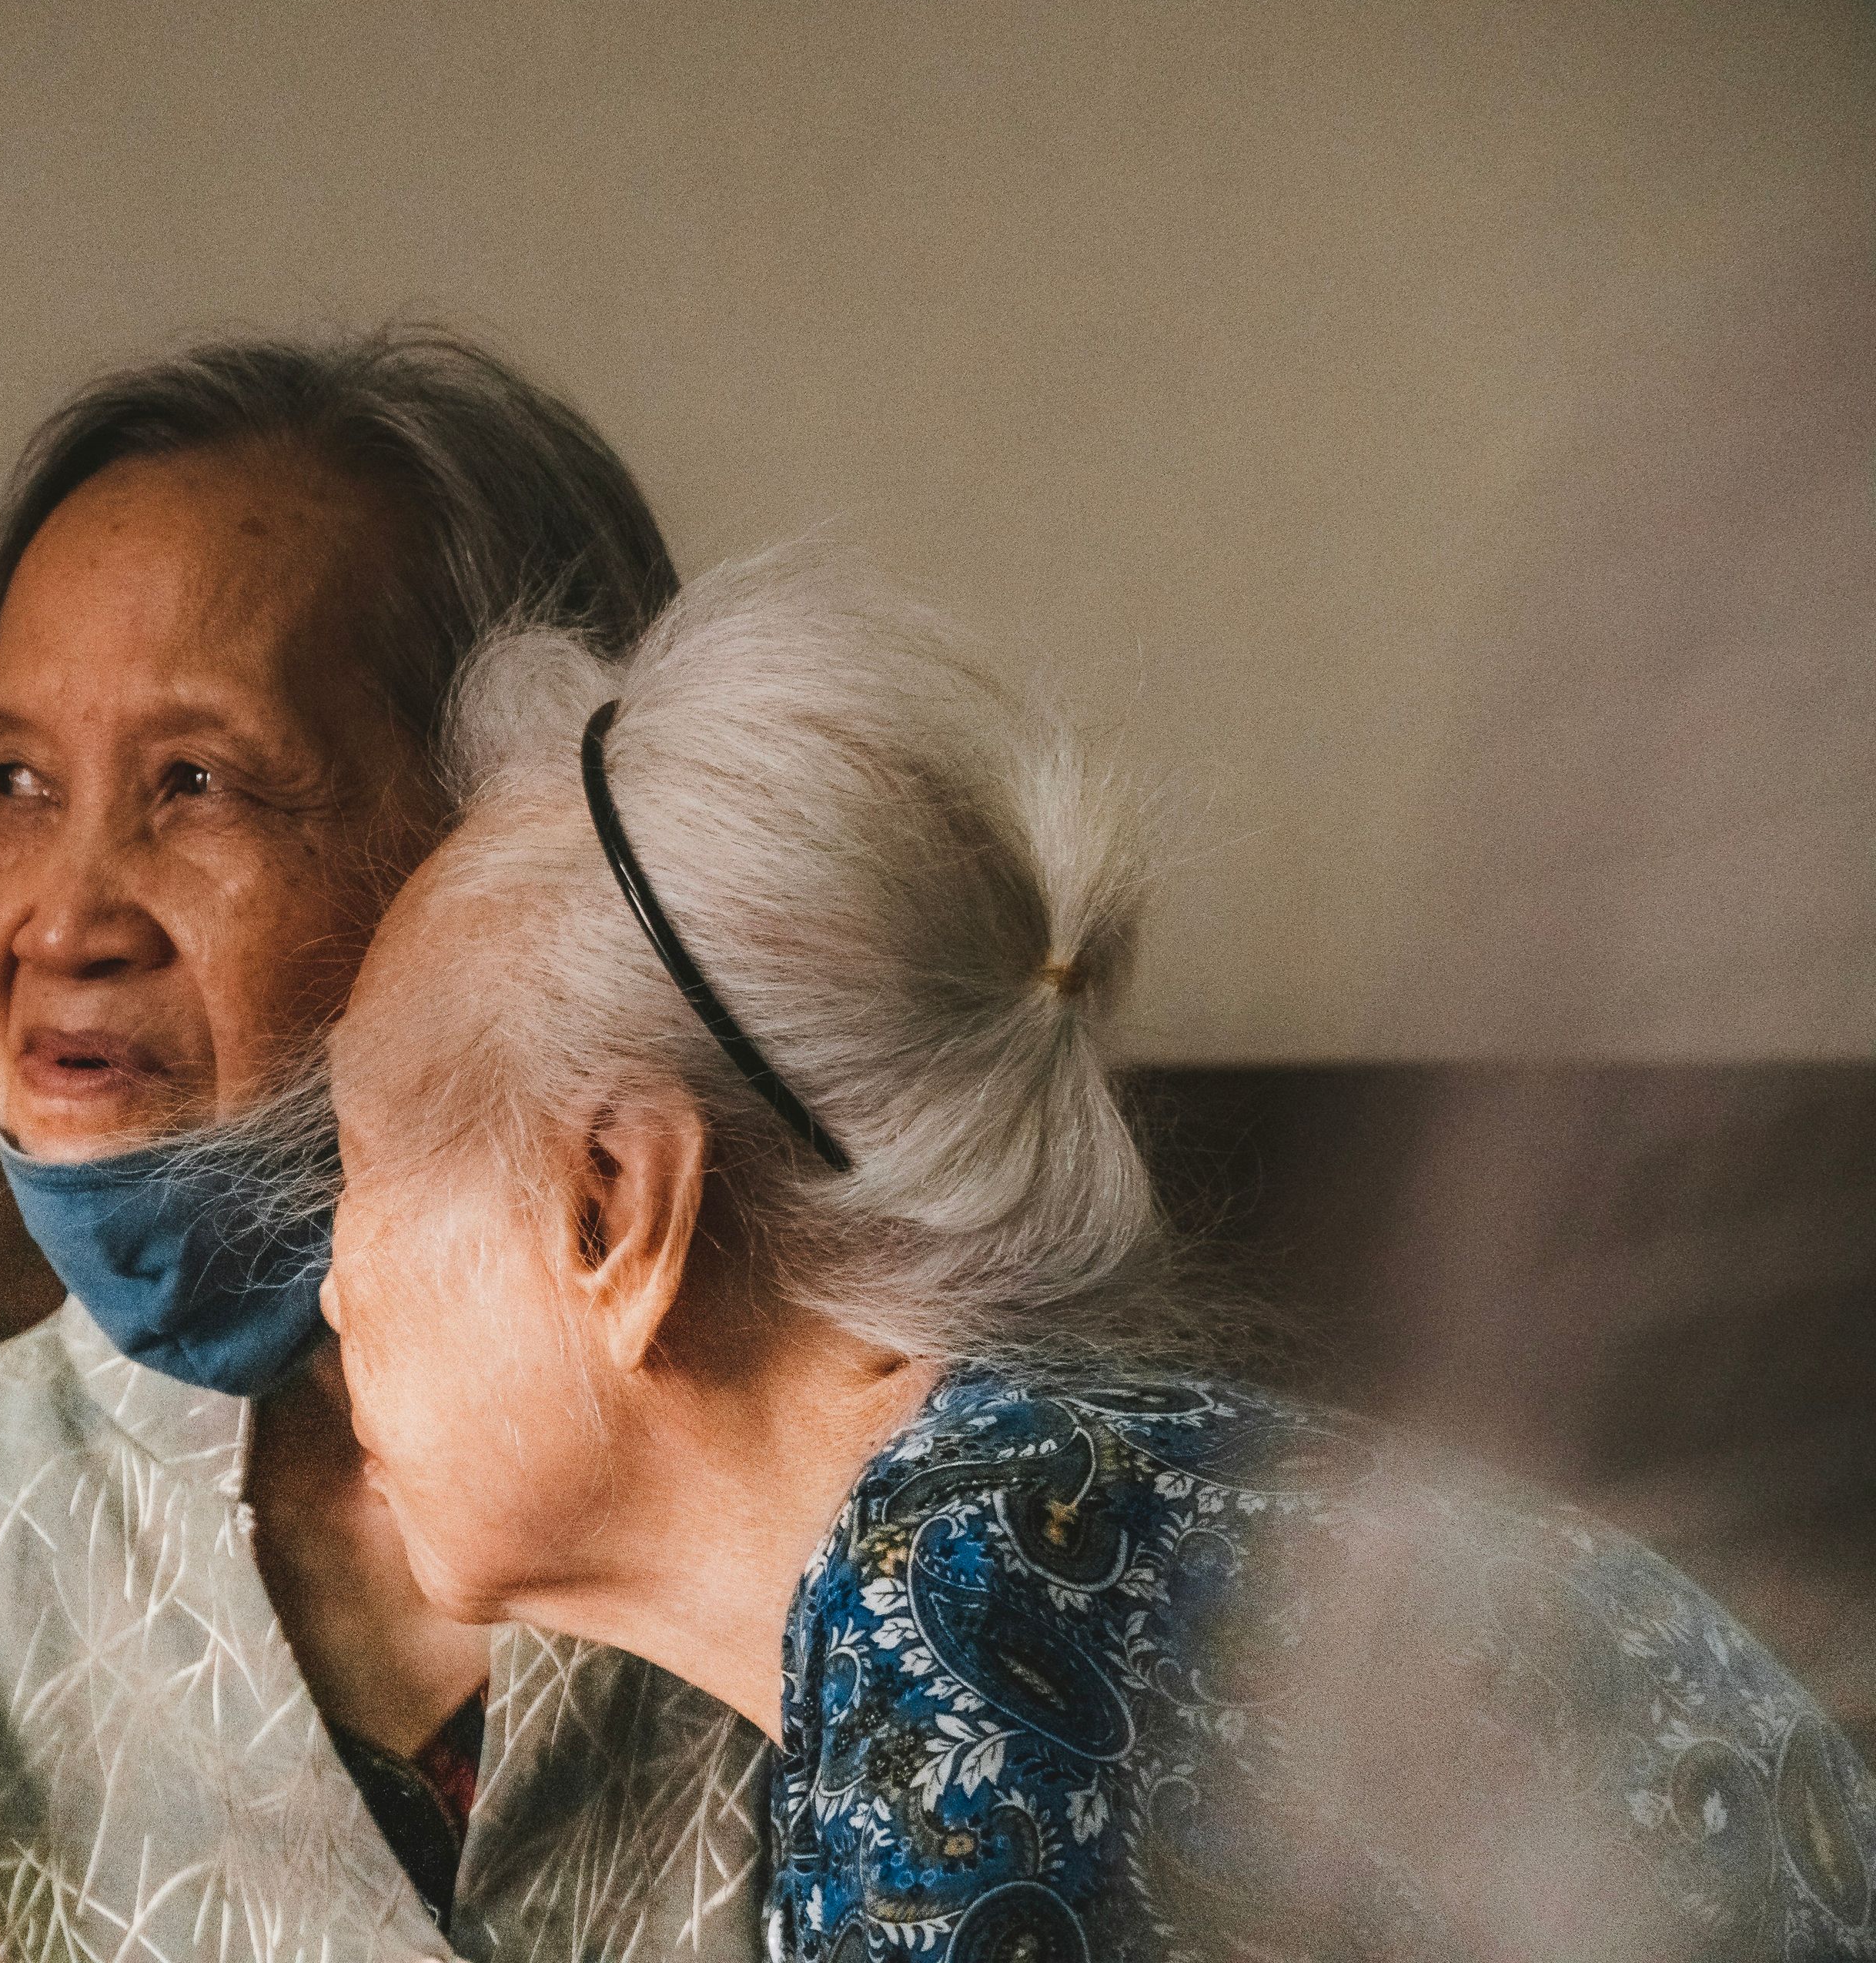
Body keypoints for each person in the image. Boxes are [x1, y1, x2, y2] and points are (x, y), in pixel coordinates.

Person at [313, 553, 1876, 1961]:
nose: (330, 1285)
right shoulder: (1035, 1522)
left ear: (613, 1207)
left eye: (363, 1169)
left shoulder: (956, 1589)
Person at [0, 329, 771, 1963]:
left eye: (200, 783)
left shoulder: (850, 1518)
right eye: (12, 780)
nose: (62, 918)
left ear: (520, 858)